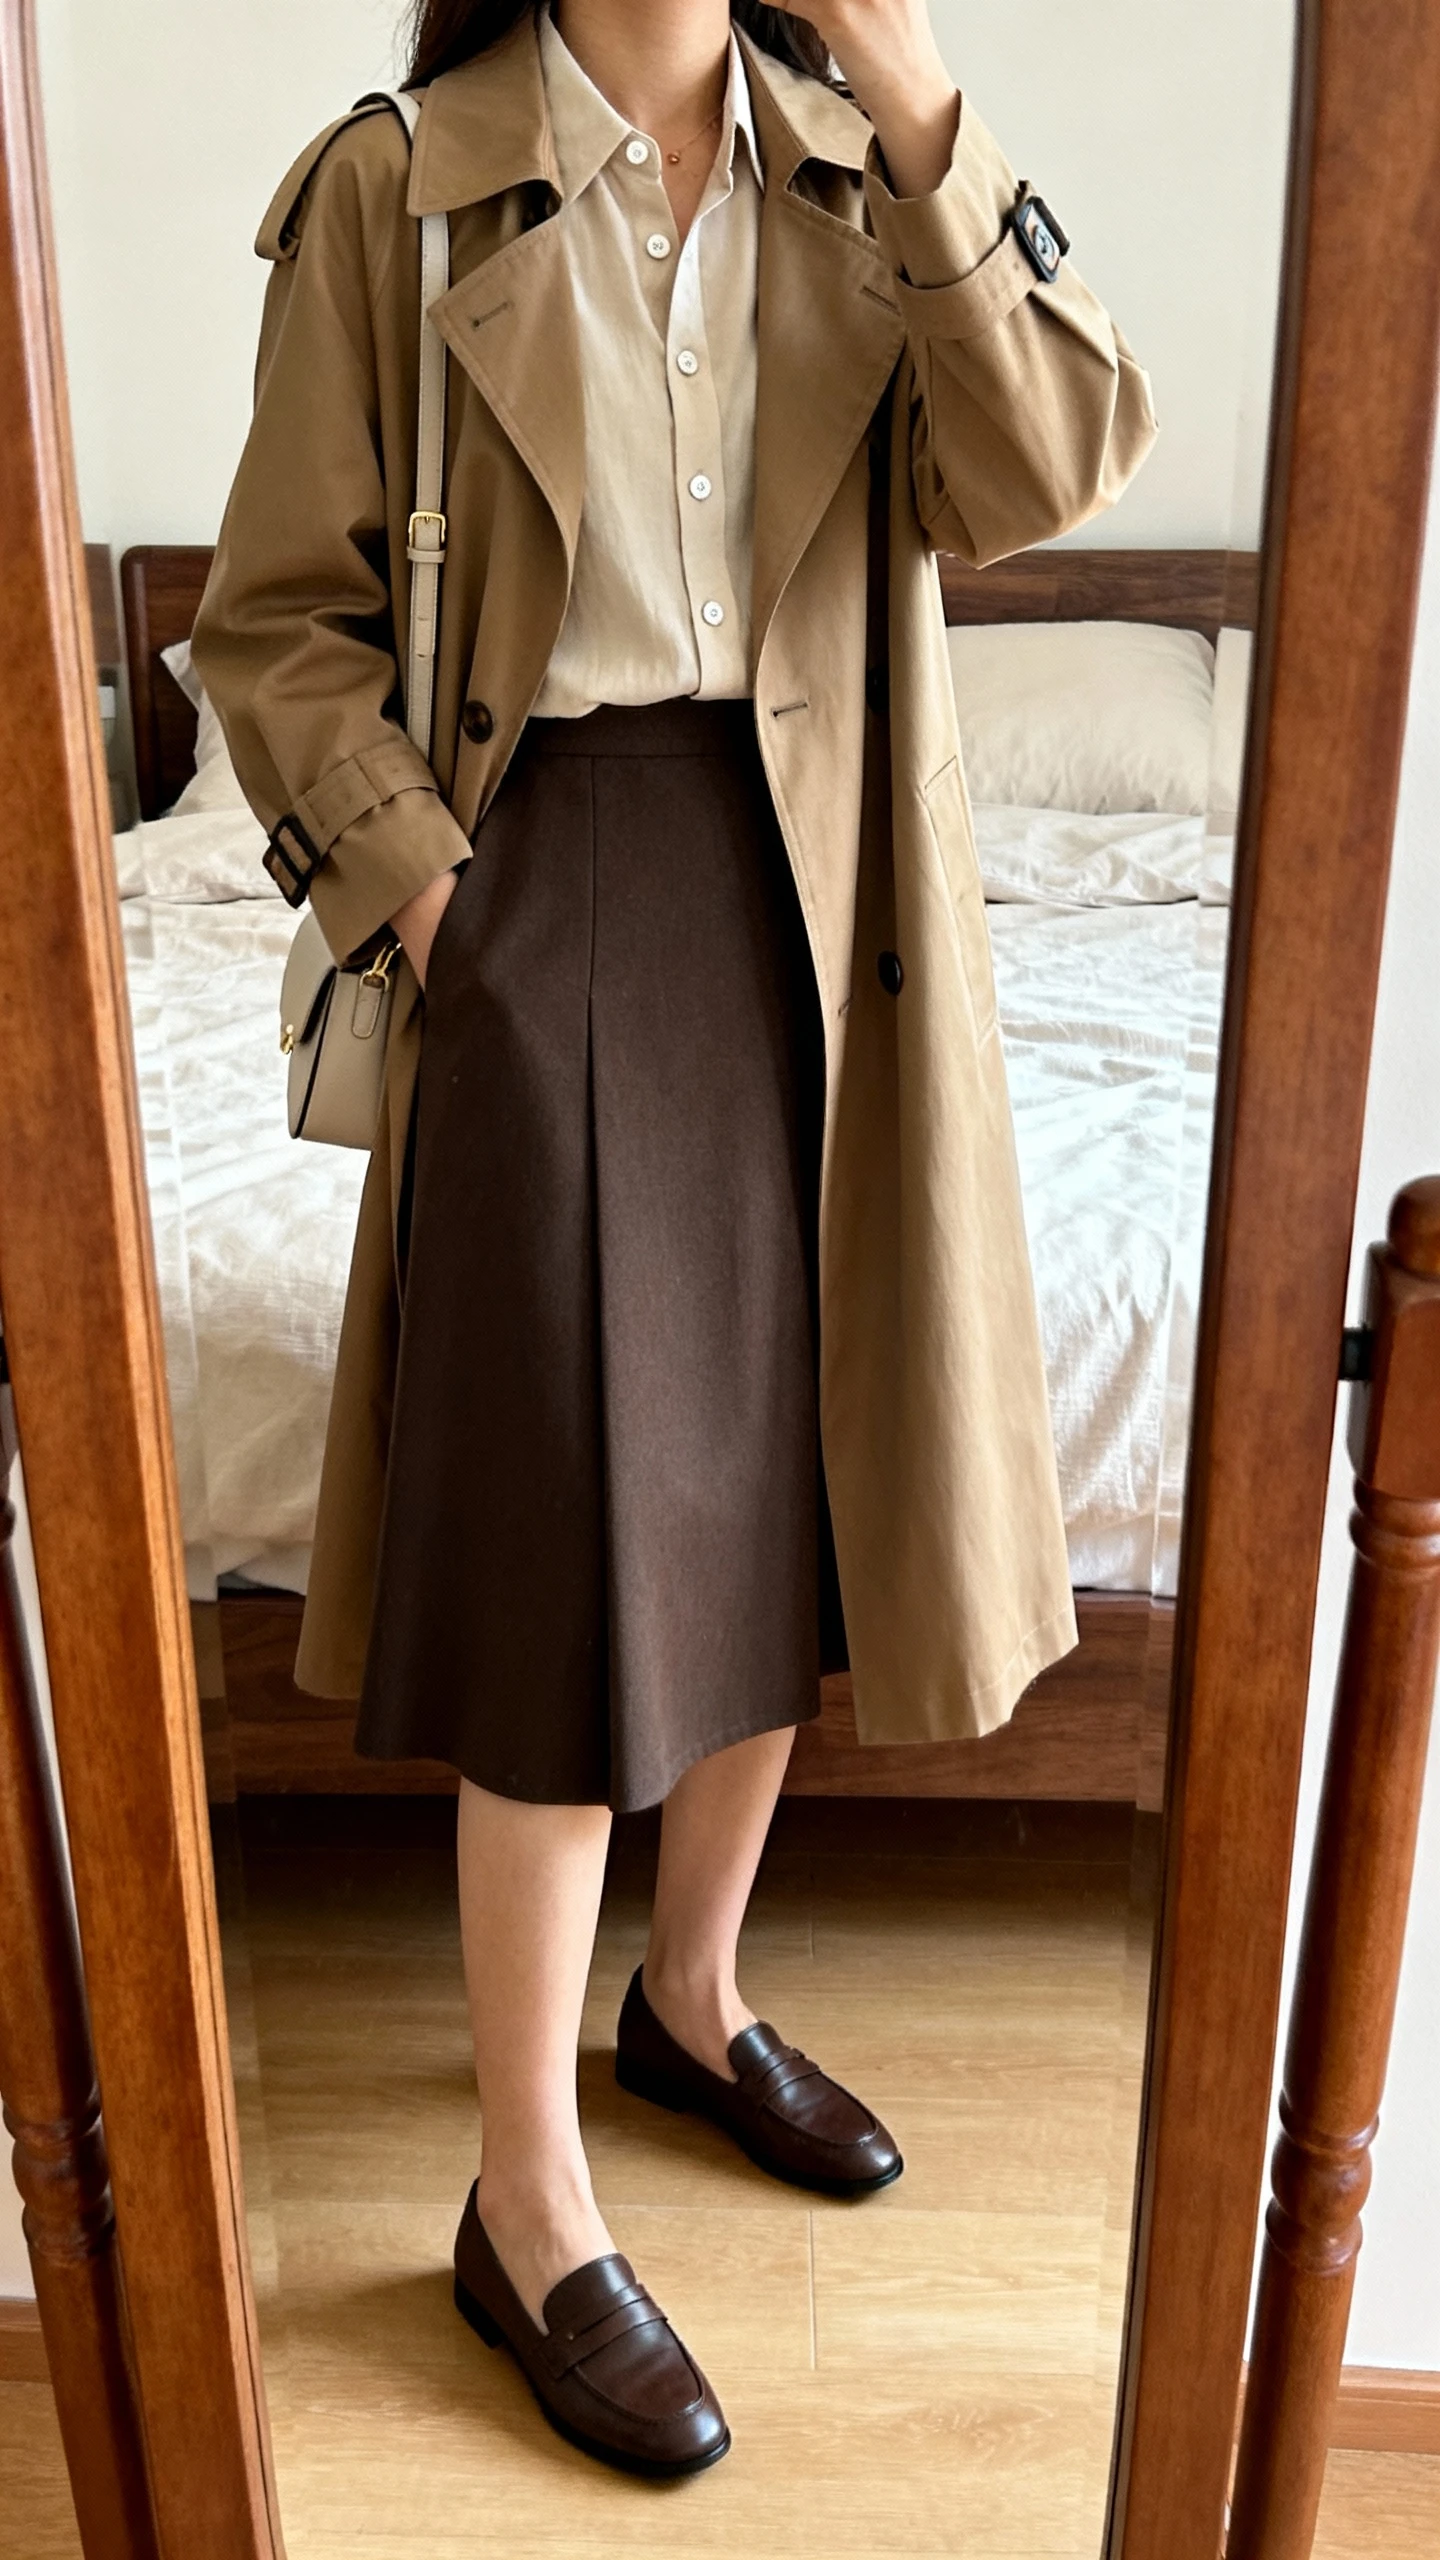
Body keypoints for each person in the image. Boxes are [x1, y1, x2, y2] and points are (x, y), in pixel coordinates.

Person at [194, 0, 1154, 2479]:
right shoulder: (400, 185)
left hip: (836, 899)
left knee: (789, 1485)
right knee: (570, 1546)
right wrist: (435, 908)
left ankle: (696, 1996)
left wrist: (924, 91)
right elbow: (270, 623)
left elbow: (1039, 468)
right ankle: (525, 2195)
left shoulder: (861, 170)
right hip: (551, 892)